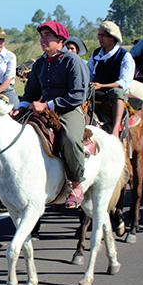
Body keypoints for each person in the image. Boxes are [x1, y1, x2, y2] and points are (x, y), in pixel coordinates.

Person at [12, 20, 88, 208]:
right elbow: (30, 92)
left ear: (60, 39)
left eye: (48, 36)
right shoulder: (39, 63)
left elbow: (78, 95)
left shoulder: (72, 61)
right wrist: (20, 107)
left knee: (70, 139)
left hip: (68, 110)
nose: (43, 40)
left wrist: (47, 105)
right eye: (41, 36)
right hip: (41, 109)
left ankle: (77, 185)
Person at [87, 21, 135, 139]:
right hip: (97, 87)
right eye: (99, 35)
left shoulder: (124, 56)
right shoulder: (97, 53)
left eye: (102, 35)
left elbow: (124, 81)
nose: (99, 38)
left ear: (112, 38)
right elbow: (89, 71)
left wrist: (102, 86)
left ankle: (115, 130)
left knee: (117, 94)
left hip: (112, 89)